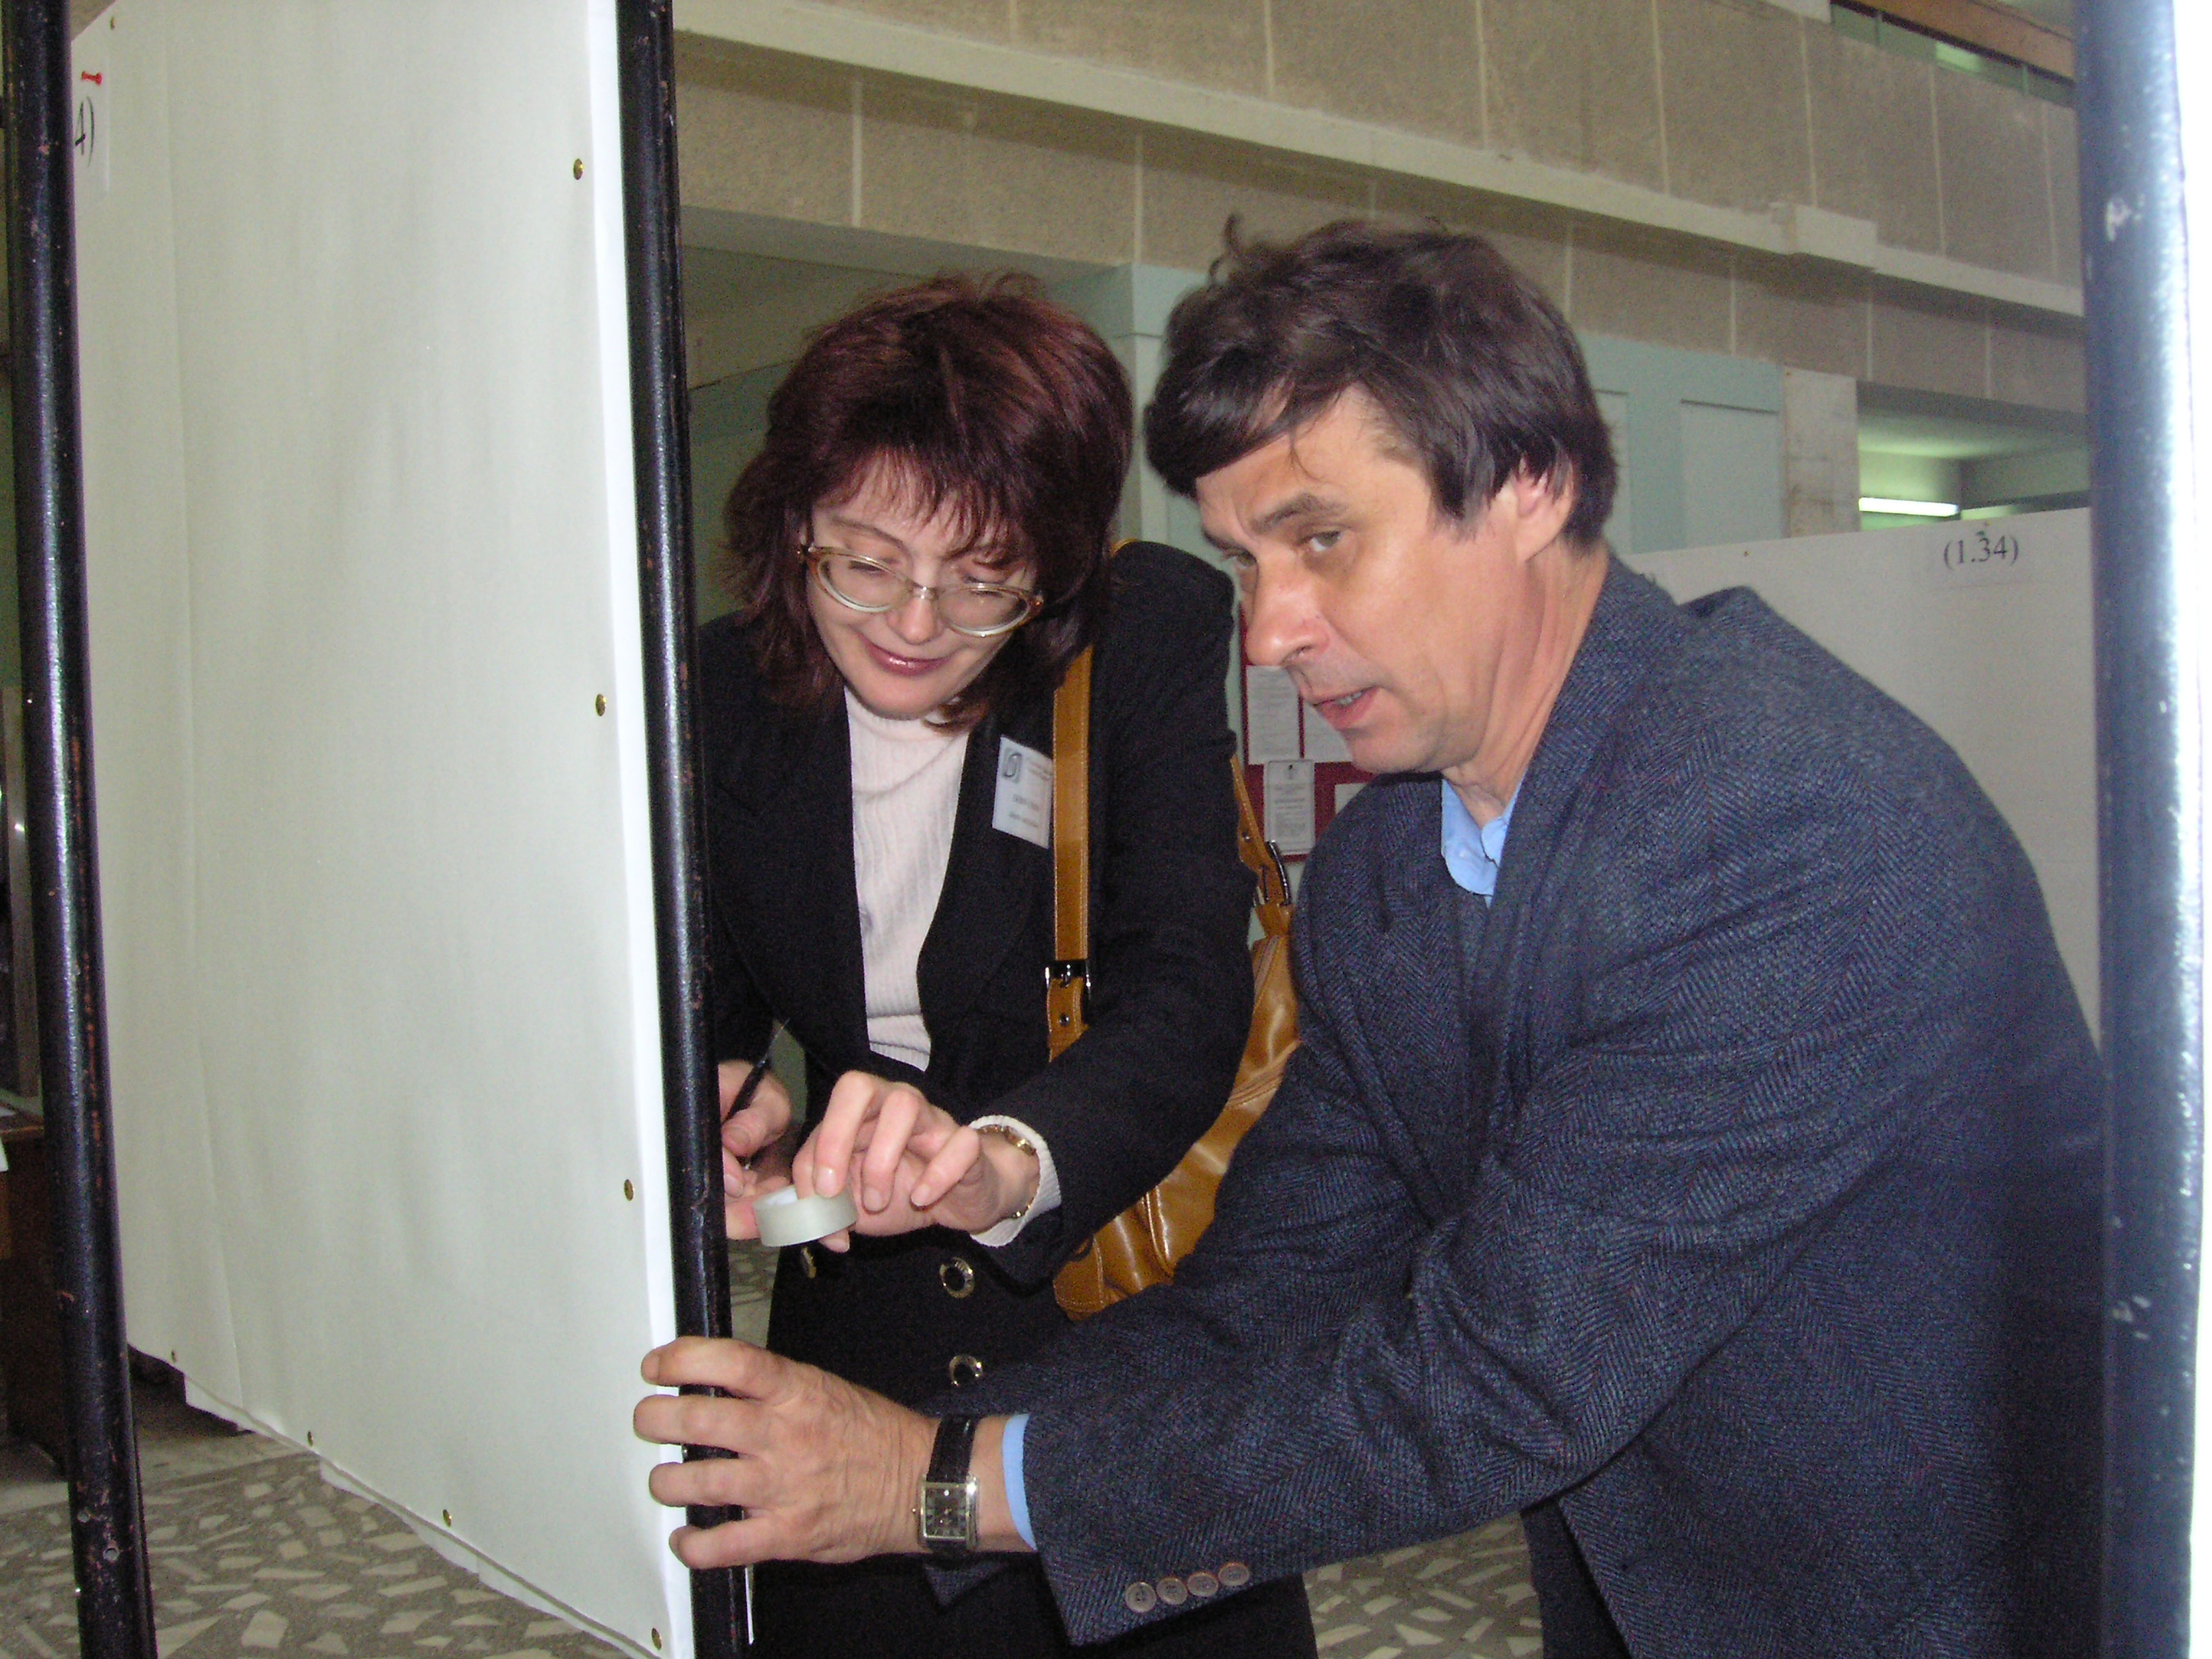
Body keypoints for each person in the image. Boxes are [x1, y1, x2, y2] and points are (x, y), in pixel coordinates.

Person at [640, 224, 2102, 1657]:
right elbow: (1265, 1300)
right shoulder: (1388, 872)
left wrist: (937, 1488)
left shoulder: (1779, 816)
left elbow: (1498, 1381)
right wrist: (913, 1447)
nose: (1267, 633)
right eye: (1243, 561)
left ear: (1528, 483)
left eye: (1323, 540)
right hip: (1642, 1595)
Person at [691, 272, 1315, 1658]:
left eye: (981, 578)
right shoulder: (723, 690)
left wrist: (1005, 1162)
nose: (916, 622)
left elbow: (1182, 990)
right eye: (865, 562)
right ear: (796, 524)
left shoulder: (1137, 635)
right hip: (856, 1377)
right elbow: (712, 1003)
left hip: (1110, 1341)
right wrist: (732, 1106)